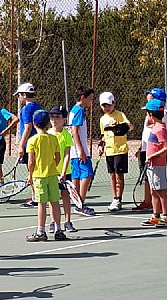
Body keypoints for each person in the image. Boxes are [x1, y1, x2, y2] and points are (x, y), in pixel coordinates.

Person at [25, 110, 66, 241]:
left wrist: (30, 175)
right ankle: (59, 230)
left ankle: (41, 232)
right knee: (55, 203)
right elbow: (58, 157)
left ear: (34, 123)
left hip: (39, 177)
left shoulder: (32, 141)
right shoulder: (53, 138)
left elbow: (31, 161)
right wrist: (52, 167)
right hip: (52, 176)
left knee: (41, 204)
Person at [134, 87, 167, 211]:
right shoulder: (151, 110)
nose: (148, 96)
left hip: (156, 153)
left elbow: (150, 125)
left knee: (159, 185)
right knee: (148, 179)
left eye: (150, 95)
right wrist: (141, 147)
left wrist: (151, 106)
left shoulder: (163, 112)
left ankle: (162, 211)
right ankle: (149, 203)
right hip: (147, 148)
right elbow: (147, 129)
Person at [98, 91, 133, 212]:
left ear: (113, 103)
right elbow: (103, 135)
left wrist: (121, 128)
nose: (106, 108)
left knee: (119, 175)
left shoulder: (120, 115)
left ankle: (118, 199)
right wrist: (101, 145)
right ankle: (115, 197)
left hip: (120, 150)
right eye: (103, 105)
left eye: (108, 105)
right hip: (109, 152)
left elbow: (130, 126)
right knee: (112, 176)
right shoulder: (102, 119)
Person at [141, 99, 167, 227]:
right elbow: (148, 123)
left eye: (147, 113)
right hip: (152, 165)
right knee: (153, 191)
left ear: (151, 114)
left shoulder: (160, 128)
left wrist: (152, 156)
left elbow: (166, 147)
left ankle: (166, 218)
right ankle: (155, 216)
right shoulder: (154, 126)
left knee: (161, 191)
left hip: (158, 165)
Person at [47, 105, 77, 233]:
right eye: (52, 117)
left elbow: (66, 155)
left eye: (57, 117)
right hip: (51, 172)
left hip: (65, 172)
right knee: (52, 198)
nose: (54, 119)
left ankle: (68, 221)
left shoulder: (66, 135)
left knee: (65, 196)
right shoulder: (47, 134)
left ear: (64, 119)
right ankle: (53, 222)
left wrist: (63, 173)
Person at [68, 86, 95, 216]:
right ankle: (81, 204)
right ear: (83, 98)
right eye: (90, 98)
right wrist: (81, 151)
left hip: (74, 151)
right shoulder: (79, 110)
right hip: (79, 150)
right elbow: (74, 131)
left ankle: (77, 203)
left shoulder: (74, 110)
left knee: (77, 176)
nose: (92, 101)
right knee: (88, 174)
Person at [15, 82, 43, 208]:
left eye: (20, 95)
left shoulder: (26, 109)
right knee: (38, 169)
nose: (19, 98)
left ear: (25, 95)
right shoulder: (38, 106)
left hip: (30, 145)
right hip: (40, 142)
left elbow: (27, 127)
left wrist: (21, 145)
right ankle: (38, 195)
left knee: (32, 170)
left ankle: (36, 198)